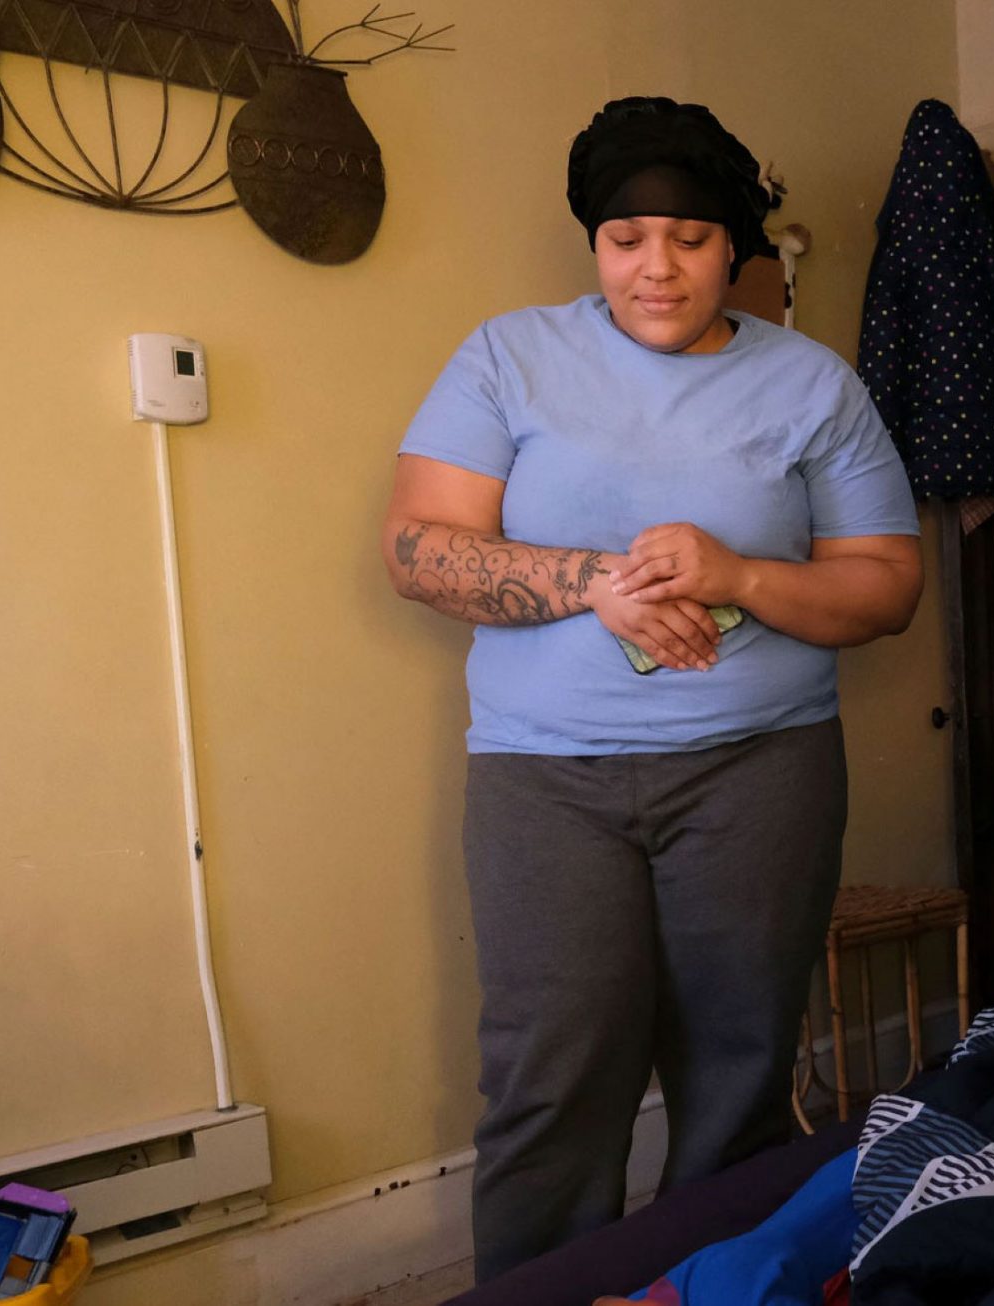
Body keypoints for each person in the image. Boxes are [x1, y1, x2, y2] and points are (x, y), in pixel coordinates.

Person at [380, 95, 923, 1282]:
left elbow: (886, 588)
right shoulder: (510, 356)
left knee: (737, 1073)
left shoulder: (815, 386)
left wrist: (738, 573)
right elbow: (418, 548)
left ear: (734, 245)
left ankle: (715, 1286)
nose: (657, 267)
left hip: (761, 772)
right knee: (550, 1079)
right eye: (628, 239)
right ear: (596, 246)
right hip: (543, 780)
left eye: (688, 237)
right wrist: (590, 583)